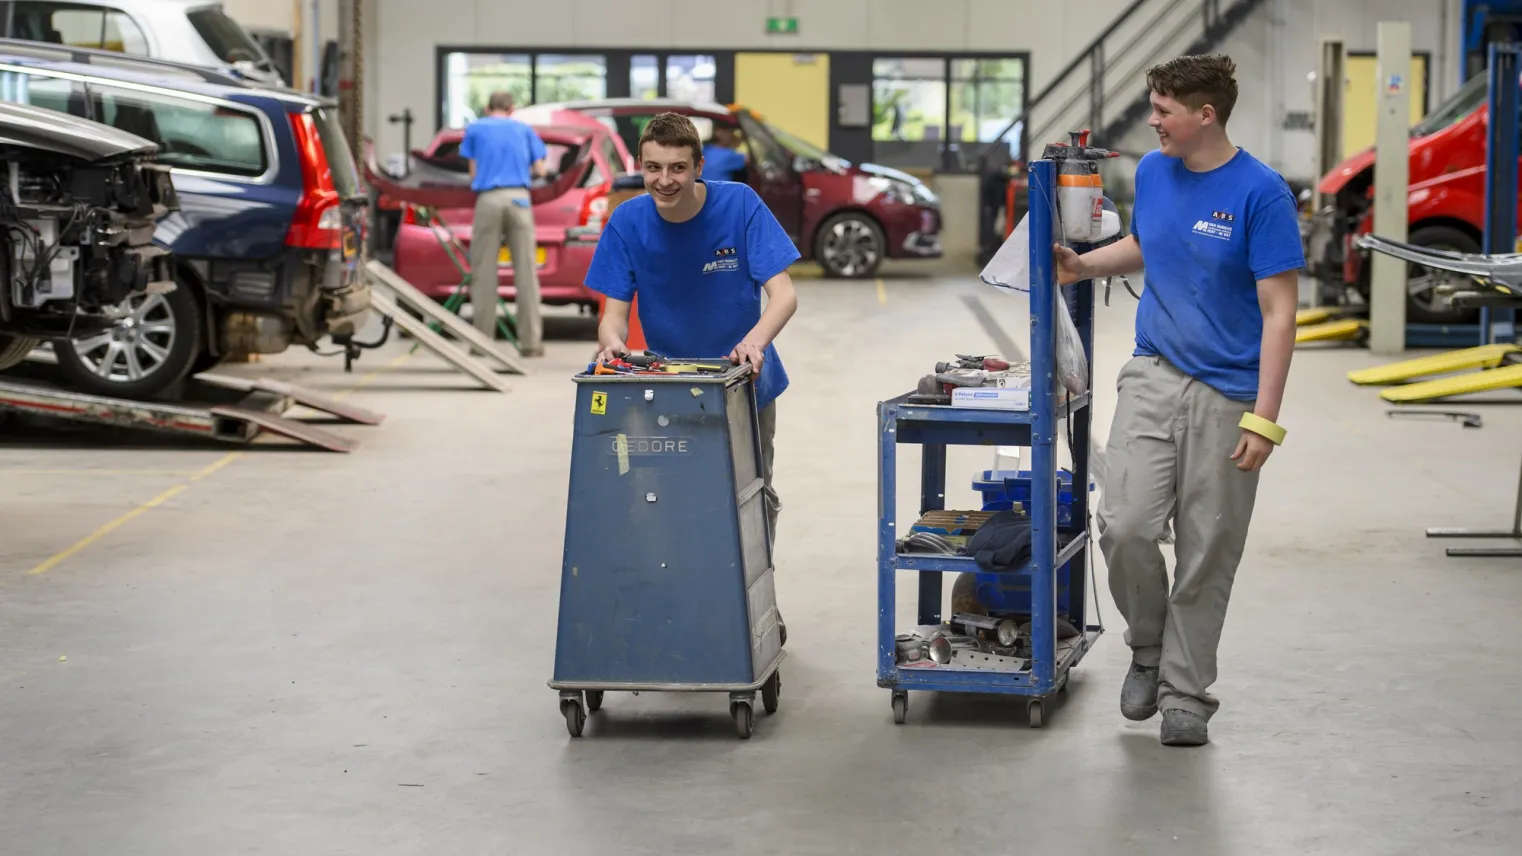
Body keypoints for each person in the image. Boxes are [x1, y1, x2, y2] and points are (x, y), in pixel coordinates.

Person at [1052, 54, 1303, 747]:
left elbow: (1280, 313)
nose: (1152, 121)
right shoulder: (1155, 174)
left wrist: (1265, 418)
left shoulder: (1262, 194)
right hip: (1154, 374)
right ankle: (1150, 649)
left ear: (1205, 114)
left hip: (1230, 393)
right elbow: (1146, 243)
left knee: (1207, 548)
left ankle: (1186, 694)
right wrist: (1084, 263)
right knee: (1125, 522)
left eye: (1163, 110)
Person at [584, 112, 800, 639]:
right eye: (654, 167)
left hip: (742, 386)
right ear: (641, 165)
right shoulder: (628, 221)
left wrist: (755, 341)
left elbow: (784, 294)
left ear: (699, 166)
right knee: (666, 500)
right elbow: (613, 314)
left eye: (678, 168)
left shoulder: (740, 205)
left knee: (750, 497)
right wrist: (612, 343)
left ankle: (754, 607)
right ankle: (682, 605)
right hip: (667, 390)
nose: (665, 180)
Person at [460, 91, 550, 355]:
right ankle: (531, 344)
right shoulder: (524, 130)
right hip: (520, 199)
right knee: (526, 273)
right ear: (511, 109)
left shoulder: (475, 129)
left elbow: (473, 172)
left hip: (488, 199)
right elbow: (541, 170)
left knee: (484, 272)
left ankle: (482, 343)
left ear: (488, 108)